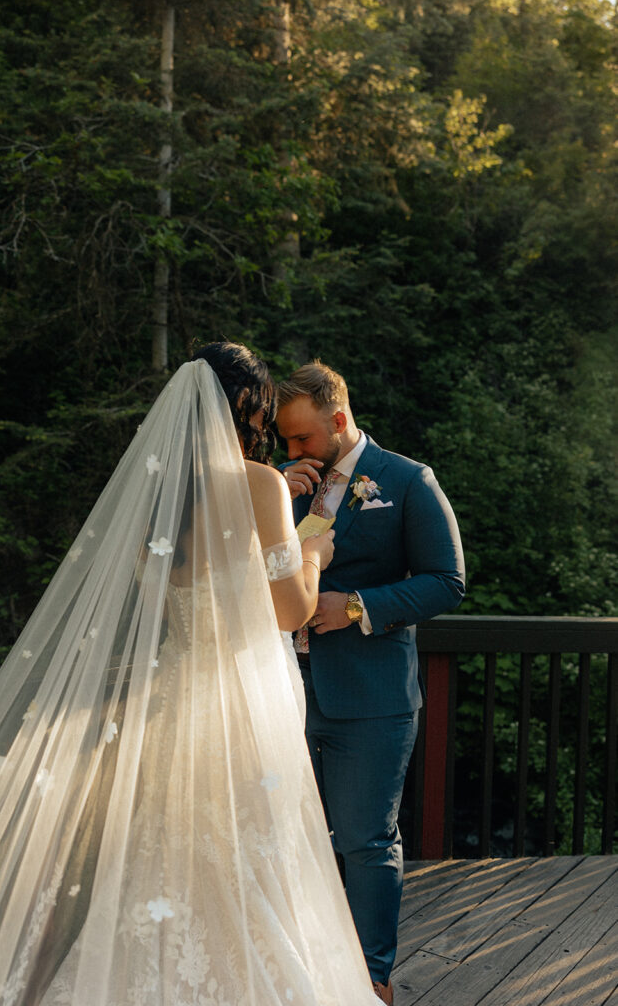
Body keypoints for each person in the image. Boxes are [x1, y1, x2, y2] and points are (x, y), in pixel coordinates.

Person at [0, 343, 381, 1005]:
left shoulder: (153, 500)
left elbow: (161, 610)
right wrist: (314, 551)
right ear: (248, 411)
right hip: (240, 705)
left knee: (162, 852)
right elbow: (288, 610)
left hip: (173, 697)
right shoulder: (258, 486)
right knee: (248, 856)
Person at [277, 361, 465, 1005]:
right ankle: (301, 972)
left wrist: (356, 606)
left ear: (337, 419)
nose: (293, 450)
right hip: (285, 691)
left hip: (372, 699)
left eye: (301, 439)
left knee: (365, 840)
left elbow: (447, 581)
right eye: (285, 441)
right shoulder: (285, 484)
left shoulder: (408, 481)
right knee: (286, 837)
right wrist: (279, 492)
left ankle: (370, 981)